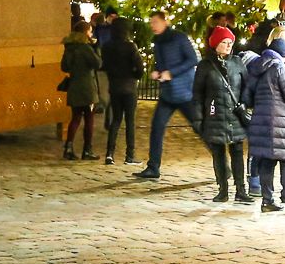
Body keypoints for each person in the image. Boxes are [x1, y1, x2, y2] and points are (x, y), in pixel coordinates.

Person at [244, 30, 285, 215]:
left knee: (266, 162)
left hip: (260, 122)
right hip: (280, 122)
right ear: (283, 55)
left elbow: (247, 97)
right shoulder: (280, 68)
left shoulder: (255, 67)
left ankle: (267, 200)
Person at [134, 10, 201, 181]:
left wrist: (172, 73)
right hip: (168, 93)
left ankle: (221, 163)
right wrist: (157, 72)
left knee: (199, 127)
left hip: (184, 92)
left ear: (165, 22)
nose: (152, 26)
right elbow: (161, 62)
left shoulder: (178, 38)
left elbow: (192, 59)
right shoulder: (158, 42)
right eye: (151, 23)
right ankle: (153, 167)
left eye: (155, 22)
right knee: (157, 126)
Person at [194, 26, 251, 203]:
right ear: (215, 44)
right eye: (224, 42)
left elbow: (247, 87)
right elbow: (197, 94)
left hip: (235, 115)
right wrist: (199, 118)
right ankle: (223, 189)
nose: (228, 46)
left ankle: (241, 189)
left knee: (237, 152)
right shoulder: (205, 66)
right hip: (215, 115)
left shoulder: (237, 62)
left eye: (230, 43)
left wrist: (245, 104)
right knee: (218, 154)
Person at [100, 17, 144, 165]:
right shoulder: (130, 46)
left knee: (116, 120)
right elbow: (139, 68)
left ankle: (109, 153)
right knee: (130, 121)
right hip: (129, 86)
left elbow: (104, 65)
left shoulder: (107, 46)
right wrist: (135, 75)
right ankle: (129, 155)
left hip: (114, 85)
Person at [60, 19, 103, 160]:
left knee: (76, 118)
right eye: (90, 31)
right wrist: (96, 47)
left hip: (74, 86)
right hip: (87, 88)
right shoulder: (86, 48)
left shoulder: (69, 48)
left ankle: (68, 147)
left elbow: (64, 67)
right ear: (86, 32)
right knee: (89, 118)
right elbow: (98, 63)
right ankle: (87, 149)